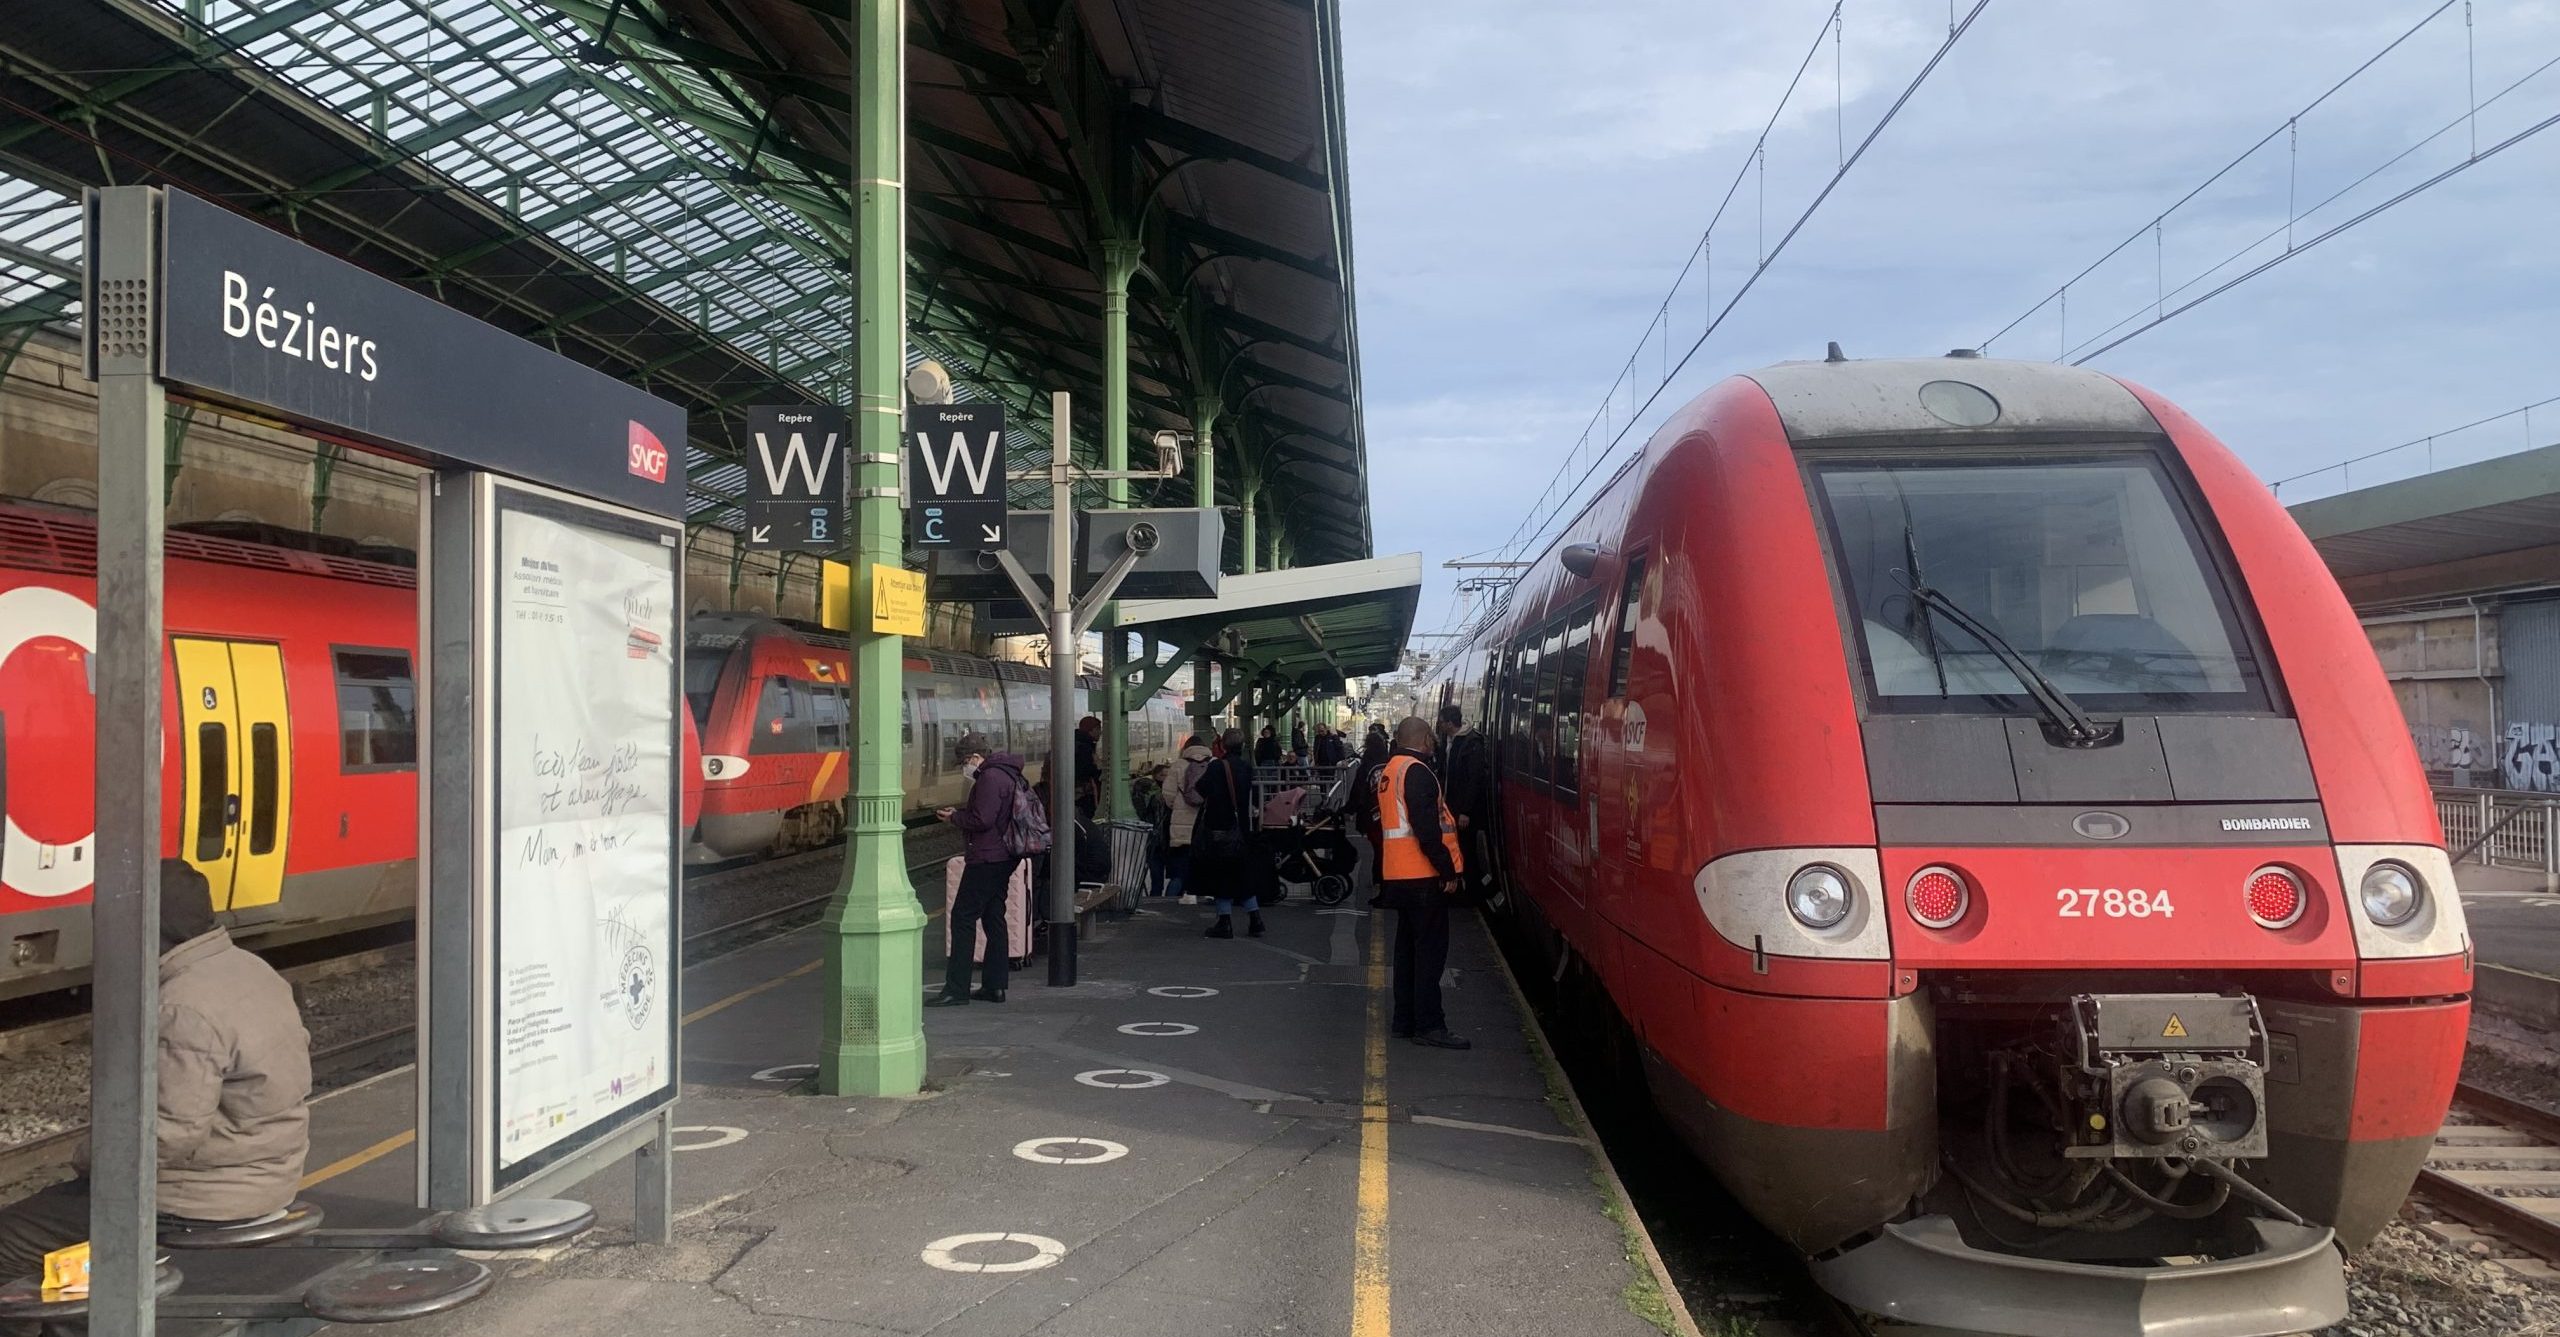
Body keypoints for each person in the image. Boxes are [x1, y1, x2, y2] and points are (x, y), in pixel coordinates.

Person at [0, 860, 313, 1289]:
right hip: (267, 1177)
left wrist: (90, 1160)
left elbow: (166, 1135)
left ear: (142, 927)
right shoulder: (253, 970)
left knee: (9, 1241)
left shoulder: (182, 1007)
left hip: (199, 1199)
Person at [1375, 717, 1469, 1049]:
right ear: (1427, 738)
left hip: (1399, 876)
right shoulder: (1416, 771)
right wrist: (1447, 871)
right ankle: (1430, 1025)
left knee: (1407, 953)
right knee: (1429, 955)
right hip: (1422, 877)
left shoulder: (1391, 770)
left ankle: (1405, 1020)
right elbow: (1427, 830)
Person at [931, 733, 1028, 1006]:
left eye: (965, 760)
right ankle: (994, 986)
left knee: (962, 917)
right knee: (993, 917)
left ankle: (956, 989)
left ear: (975, 757)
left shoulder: (990, 777)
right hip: (1002, 857)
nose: (965, 766)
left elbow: (982, 819)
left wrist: (955, 817)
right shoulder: (1006, 773)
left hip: (987, 858)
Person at [1189, 727, 1261, 939]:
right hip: (1241, 828)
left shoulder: (1217, 768)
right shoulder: (1247, 767)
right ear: (1243, 746)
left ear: (1222, 746)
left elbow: (1200, 789)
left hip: (1219, 828)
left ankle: (1224, 921)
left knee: (1221, 876)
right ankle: (1255, 918)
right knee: (1242, 874)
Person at [1436, 704, 1493, 893]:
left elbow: (1474, 778)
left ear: (1451, 723)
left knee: (1466, 850)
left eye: (1442, 723)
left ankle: (1469, 891)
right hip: (1451, 806)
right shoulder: (1450, 741)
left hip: (1463, 810)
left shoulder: (1470, 742)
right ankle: (1459, 888)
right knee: (1457, 848)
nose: (1439, 726)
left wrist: (1465, 811)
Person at [1167, 735, 1213, 904]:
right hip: (1205, 825)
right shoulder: (1213, 763)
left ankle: (1170, 902)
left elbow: (1168, 795)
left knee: (1179, 871)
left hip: (1181, 826)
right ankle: (1206, 896)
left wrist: (1178, 808)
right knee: (1205, 865)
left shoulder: (1178, 765)